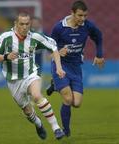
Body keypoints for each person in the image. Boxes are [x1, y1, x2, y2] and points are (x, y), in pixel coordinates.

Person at [0, 12, 66, 140]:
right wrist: (6, 57)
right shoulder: (4, 38)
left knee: (37, 95)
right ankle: (38, 123)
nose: (25, 27)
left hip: (31, 74)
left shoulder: (36, 37)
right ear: (15, 24)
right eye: (21, 24)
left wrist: (59, 67)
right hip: (13, 80)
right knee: (28, 111)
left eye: (27, 24)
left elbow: (54, 48)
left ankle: (56, 128)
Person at [46, 0, 105, 136]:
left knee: (76, 103)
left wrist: (99, 55)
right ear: (72, 13)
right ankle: (66, 131)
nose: (82, 19)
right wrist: (58, 52)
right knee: (67, 99)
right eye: (80, 15)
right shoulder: (59, 28)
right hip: (60, 65)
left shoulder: (88, 26)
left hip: (76, 66)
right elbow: (49, 47)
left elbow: (99, 36)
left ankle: (55, 86)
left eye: (85, 16)